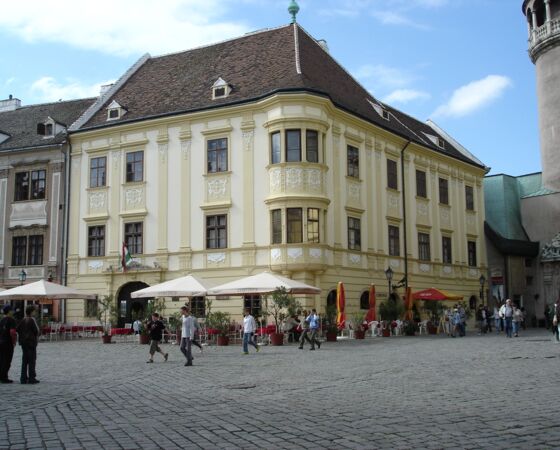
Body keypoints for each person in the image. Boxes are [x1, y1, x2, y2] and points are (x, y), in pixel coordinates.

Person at [16, 305, 40, 384]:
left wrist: (22, 336)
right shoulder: (31, 320)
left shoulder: (23, 319)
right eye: (34, 311)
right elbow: (36, 331)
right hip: (31, 342)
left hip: (24, 343)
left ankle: (23, 378)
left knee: (24, 361)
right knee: (31, 360)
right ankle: (31, 378)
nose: (35, 312)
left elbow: (18, 329)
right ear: (31, 311)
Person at [0, 305, 17, 383]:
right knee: (7, 361)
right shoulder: (11, 320)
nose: (13, 311)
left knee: (2, 360)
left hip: (1, 342)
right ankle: (4, 377)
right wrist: (14, 342)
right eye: (12, 310)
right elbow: (12, 332)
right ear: (9, 311)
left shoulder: (2, 320)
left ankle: (2, 376)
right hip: (8, 343)